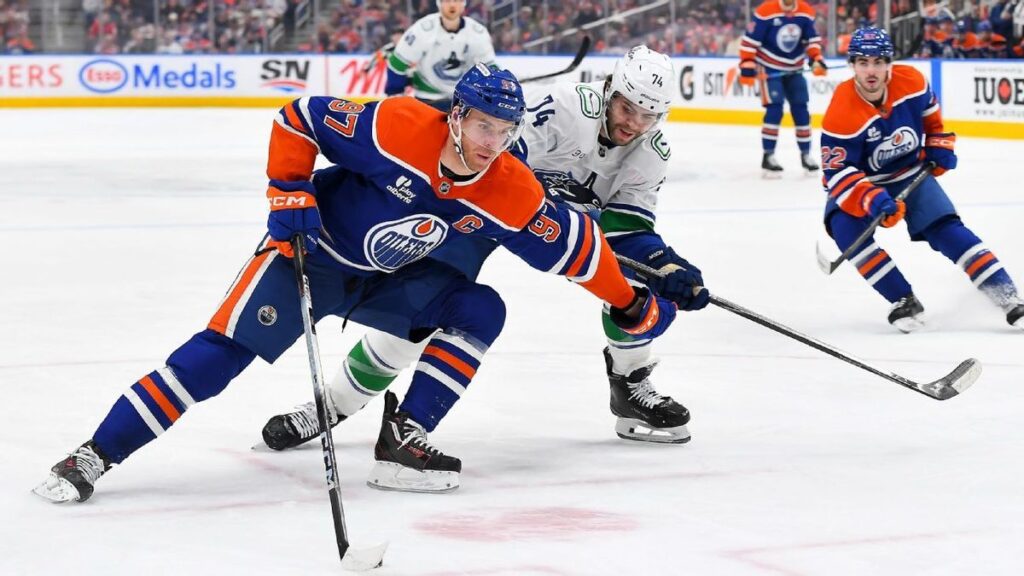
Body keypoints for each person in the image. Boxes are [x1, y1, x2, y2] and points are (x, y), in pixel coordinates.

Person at [33, 64, 684, 503]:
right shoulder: (396, 126)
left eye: (505, 131)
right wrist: (288, 191)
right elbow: (298, 117)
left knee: (480, 308)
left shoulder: (508, 187)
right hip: (310, 257)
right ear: (457, 116)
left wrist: (627, 300)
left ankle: (405, 444)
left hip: (390, 278)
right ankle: (93, 456)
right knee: (215, 360)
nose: (494, 142)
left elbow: (573, 247)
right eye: (484, 125)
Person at [260, 46, 711, 493]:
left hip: (549, 227)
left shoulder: (653, 150)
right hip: (477, 211)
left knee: (636, 290)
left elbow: (628, 226)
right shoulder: (570, 108)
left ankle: (629, 385)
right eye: (627, 106)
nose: (633, 122)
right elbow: (496, 157)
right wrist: (550, 196)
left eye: (647, 116)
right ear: (610, 89)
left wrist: (664, 264)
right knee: (419, 310)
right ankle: (332, 406)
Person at [819, 27, 1024, 332]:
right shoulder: (841, 111)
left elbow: (932, 122)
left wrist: (939, 145)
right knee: (845, 231)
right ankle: (903, 299)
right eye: (863, 62)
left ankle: (1009, 297)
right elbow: (838, 172)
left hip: (910, 172)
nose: (871, 70)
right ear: (852, 65)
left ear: (890, 62)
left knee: (946, 229)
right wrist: (872, 199)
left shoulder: (912, 82)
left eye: (878, 61)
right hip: (863, 182)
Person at [738, 0, 827, 176]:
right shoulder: (766, 11)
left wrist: (815, 58)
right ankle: (768, 155)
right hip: (769, 67)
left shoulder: (805, 11)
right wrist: (747, 63)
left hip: (795, 68)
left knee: (801, 110)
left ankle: (806, 154)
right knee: (775, 109)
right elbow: (749, 41)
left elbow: (812, 40)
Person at [385, 0, 495, 111]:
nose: (452, 5)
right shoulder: (422, 30)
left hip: (464, 101)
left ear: (463, 3)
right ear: (439, 3)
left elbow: (490, 71)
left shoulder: (478, 33)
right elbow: (397, 63)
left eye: (457, 0)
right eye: (447, 1)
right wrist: (396, 98)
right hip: (428, 100)